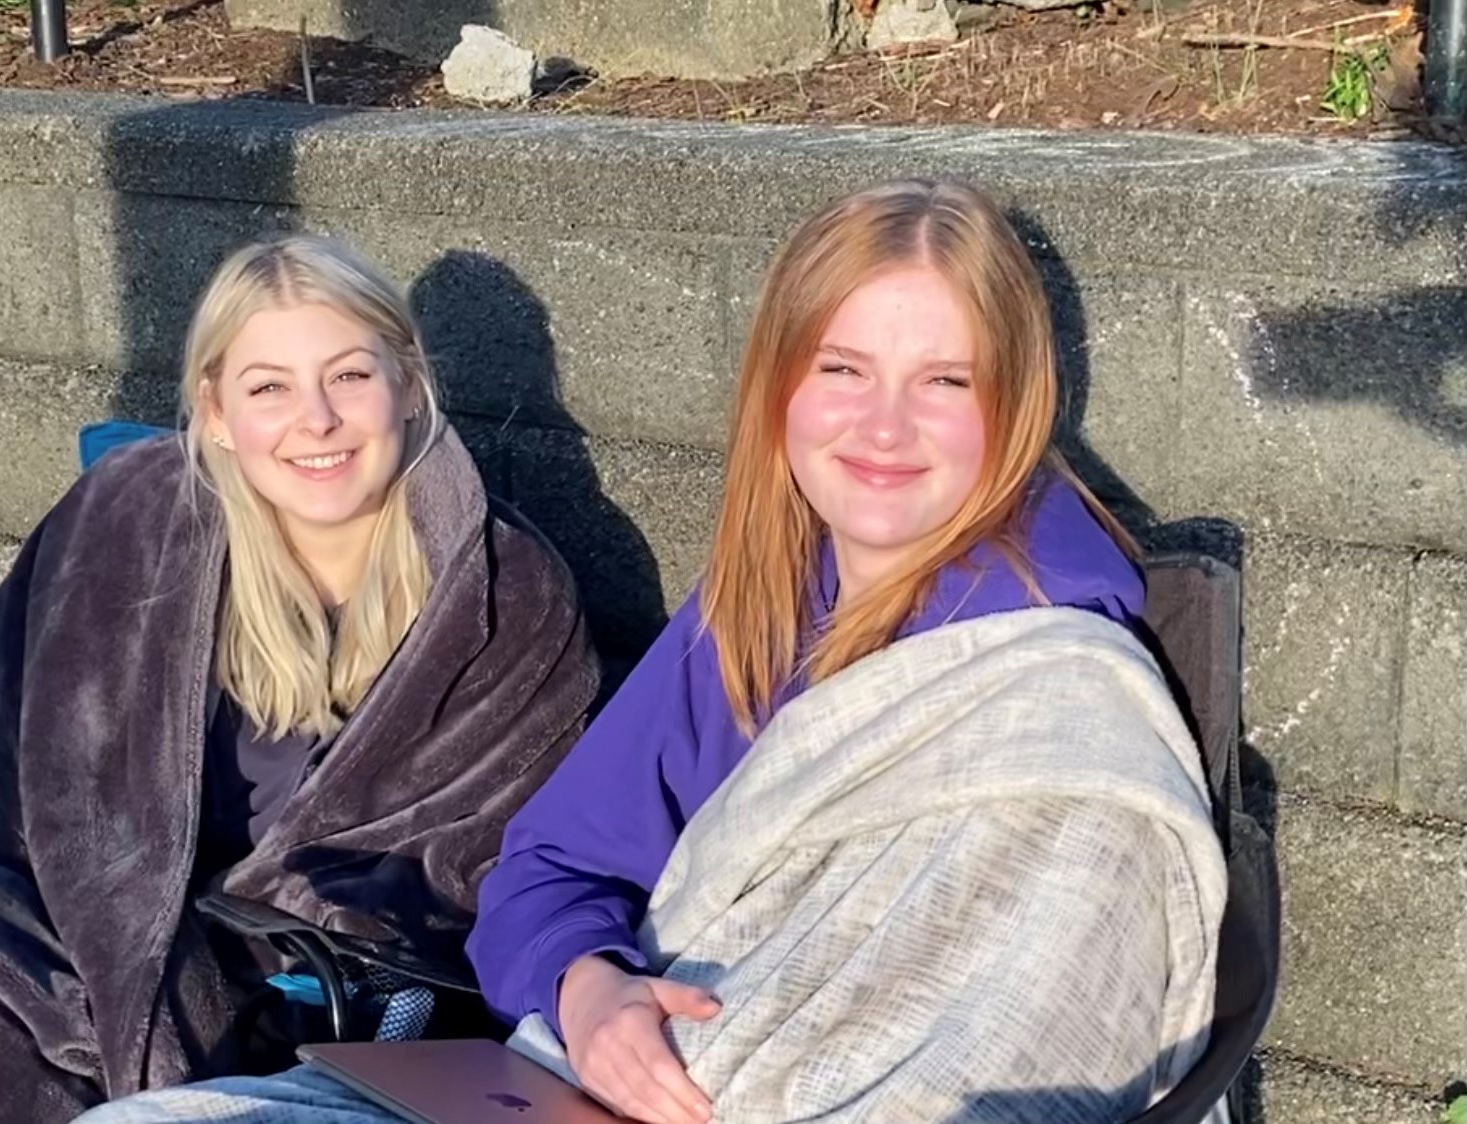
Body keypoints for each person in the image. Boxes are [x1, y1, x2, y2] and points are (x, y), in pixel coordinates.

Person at [73, 178, 1226, 1124]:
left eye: (944, 382)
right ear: (778, 387)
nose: (884, 427)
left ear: (1015, 403)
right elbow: (546, 866)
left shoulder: (1054, 688)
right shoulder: (759, 598)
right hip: (587, 1081)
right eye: (841, 369)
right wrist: (592, 990)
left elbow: (1000, 1042)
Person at [0, 234, 601, 1124]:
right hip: (75, 897)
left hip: (306, 965)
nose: (315, 419)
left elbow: (496, 845)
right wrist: (112, 941)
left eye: (349, 376)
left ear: (406, 384)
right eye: (268, 387)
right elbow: (18, 750)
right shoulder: (129, 519)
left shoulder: (502, 589)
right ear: (214, 411)